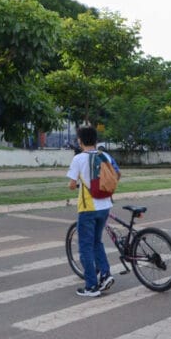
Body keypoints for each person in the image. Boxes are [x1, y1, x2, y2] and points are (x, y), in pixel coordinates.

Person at [67, 126, 115, 297]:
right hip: (105, 205)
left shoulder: (78, 159)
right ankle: (105, 274)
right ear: (95, 141)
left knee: (86, 247)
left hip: (88, 208)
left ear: (80, 141)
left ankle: (91, 286)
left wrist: (77, 183)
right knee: (97, 242)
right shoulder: (105, 155)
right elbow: (115, 174)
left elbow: (72, 185)